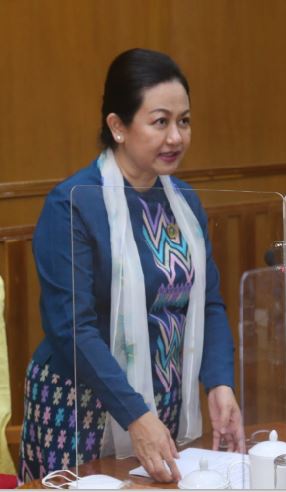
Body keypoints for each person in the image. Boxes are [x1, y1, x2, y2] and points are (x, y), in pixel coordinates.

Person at [22, 49, 243, 483]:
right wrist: (134, 413)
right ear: (118, 126)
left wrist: (219, 382)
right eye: (160, 122)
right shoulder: (73, 203)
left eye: (184, 121)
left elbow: (208, 301)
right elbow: (72, 328)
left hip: (162, 404)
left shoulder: (184, 201)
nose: (176, 137)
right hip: (80, 408)